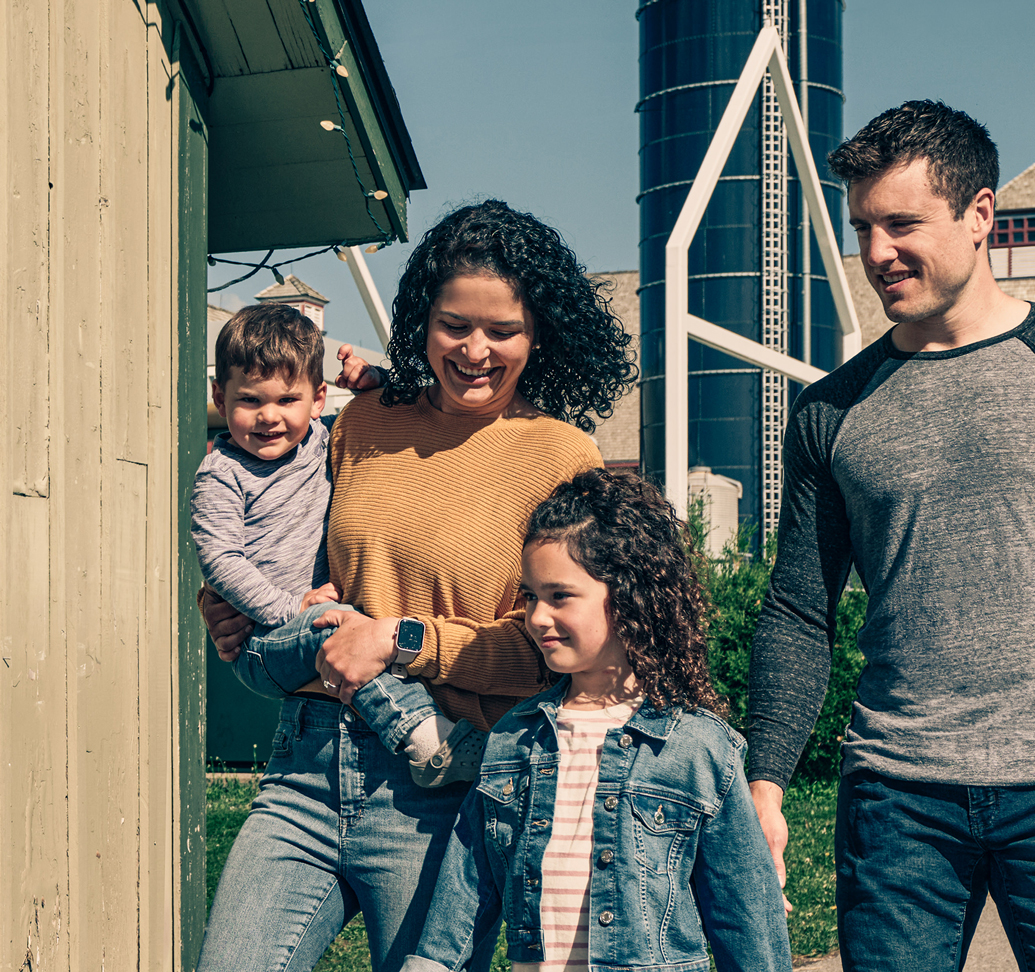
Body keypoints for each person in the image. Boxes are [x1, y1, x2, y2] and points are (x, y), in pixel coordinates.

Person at [745, 101, 1035, 972]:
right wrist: (765, 783)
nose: (877, 252)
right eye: (863, 227)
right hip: (895, 800)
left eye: (902, 223)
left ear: (979, 215)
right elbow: (796, 611)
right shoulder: (830, 411)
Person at [196, 200, 637, 972]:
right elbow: (290, 536)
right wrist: (231, 602)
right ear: (421, 323)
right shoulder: (363, 422)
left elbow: (554, 651)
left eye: (503, 330)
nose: (475, 350)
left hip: (437, 784)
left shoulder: (563, 458)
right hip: (305, 763)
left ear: (540, 335)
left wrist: (399, 639)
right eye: (454, 325)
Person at [401, 469, 793, 972]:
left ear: (630, 595)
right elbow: (466, 889)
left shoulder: (697, 748)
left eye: (559, 596)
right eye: (529, 597)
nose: (537, 617)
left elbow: (746, 919)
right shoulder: (513, 739)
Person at [192, 303, 460, 771]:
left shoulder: (323, 440)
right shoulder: (222, 474)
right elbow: (220, 560)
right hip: (262, 641)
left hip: (315, 618)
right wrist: (290, 607)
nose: (268, 417)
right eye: (250, 400)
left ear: (318, 399)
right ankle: (424, 735)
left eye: (286, 401)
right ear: (220, 395)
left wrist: (378, 380)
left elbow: (400, 410)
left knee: (351, 630)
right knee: (339, 629)